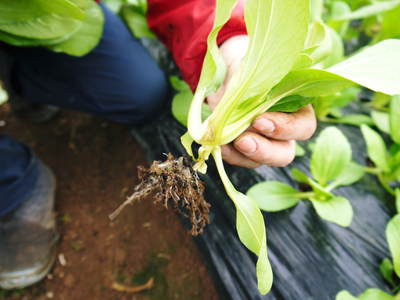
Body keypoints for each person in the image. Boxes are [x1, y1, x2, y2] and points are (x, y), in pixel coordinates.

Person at [0, 0, 316, 289]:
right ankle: (13, 185)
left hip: (35, 11)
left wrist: (231, 46)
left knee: (139, 93)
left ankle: (23, 80)